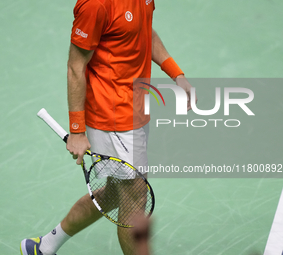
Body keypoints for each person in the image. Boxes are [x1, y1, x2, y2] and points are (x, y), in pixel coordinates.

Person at [20, 0, 195, 254]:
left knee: (114, 193)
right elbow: (75, 66)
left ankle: (45, 245)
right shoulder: (96, 5)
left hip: (135, 107)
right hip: (113, 118)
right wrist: (77, 131)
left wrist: (176, 73)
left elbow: (144, 32)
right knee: (135, 200)